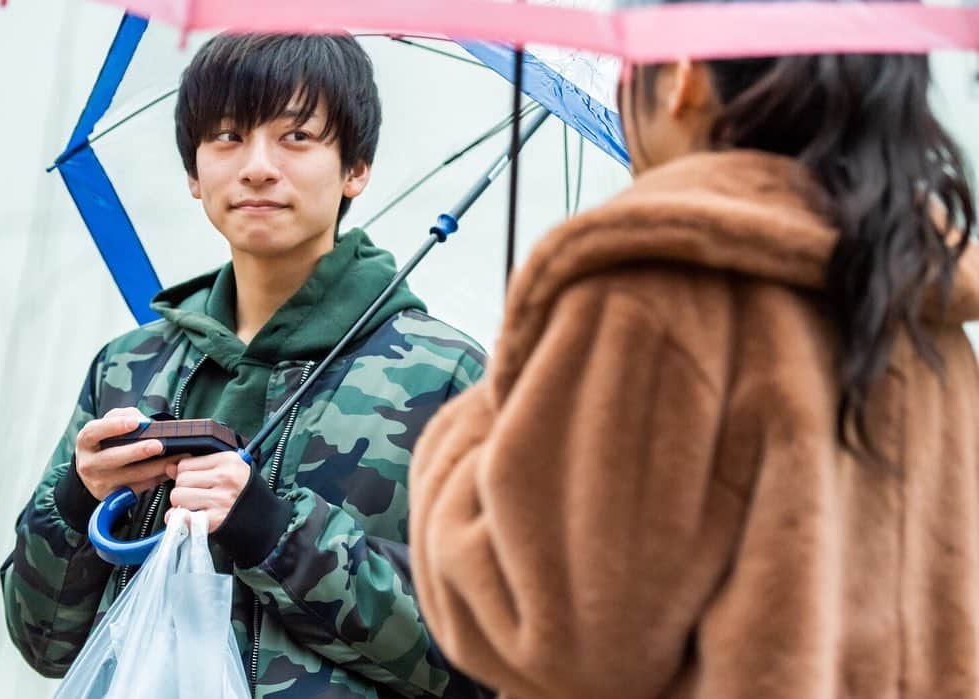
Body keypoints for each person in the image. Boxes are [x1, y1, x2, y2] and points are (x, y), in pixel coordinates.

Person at [407, 3, 979, 697]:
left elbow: (549, 627)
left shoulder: (654, 292)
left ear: (680, 78)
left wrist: (470, 433)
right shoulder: (922, 308)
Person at [1, 32, 490, 699]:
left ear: (356, 168)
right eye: (228, 136)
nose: (258, 167)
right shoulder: (130, 365)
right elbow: (40, 639)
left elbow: (492, 658)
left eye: (297, 137)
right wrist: (77, 493)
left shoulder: (444, 376)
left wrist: (272, 528)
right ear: (194, 175)